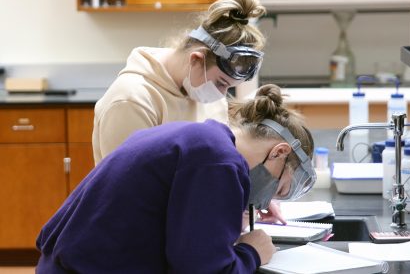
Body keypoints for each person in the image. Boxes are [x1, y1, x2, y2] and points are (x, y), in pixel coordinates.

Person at [36, 84, 315, 273]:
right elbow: (201, 270)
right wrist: (252, 253)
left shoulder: (203, 140)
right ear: (279, 152)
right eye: (278, 188)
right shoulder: (218, 162)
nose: (266, 201)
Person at [92, 0, 266, 165]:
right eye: (221, 83)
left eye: (229, 86)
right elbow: (130, 186)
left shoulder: (208, 95)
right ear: (196, 59)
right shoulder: (131, 101)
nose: (222, 94)